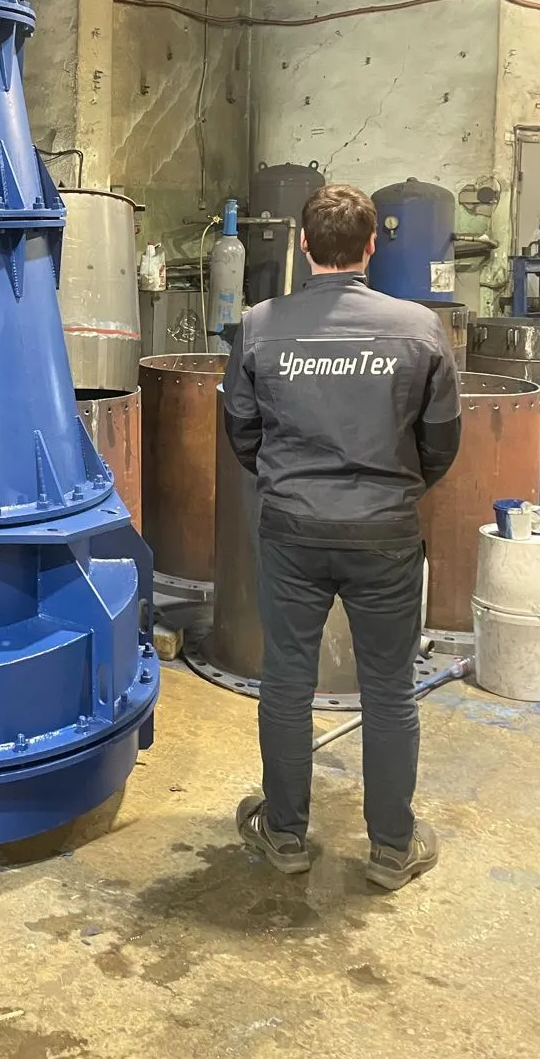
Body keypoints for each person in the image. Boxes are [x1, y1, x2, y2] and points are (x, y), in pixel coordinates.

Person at [222, 183, 461, 891]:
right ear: (371, 246)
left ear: (303, 246)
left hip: (292, 531)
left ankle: (285, 835)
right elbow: (441, 441)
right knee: (389, 690)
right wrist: (395, 489)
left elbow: (242, 431)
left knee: (286, 681)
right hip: (385, 535)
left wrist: (289, 483)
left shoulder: (259, 327)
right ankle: (392, 848)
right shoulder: (419, 329)